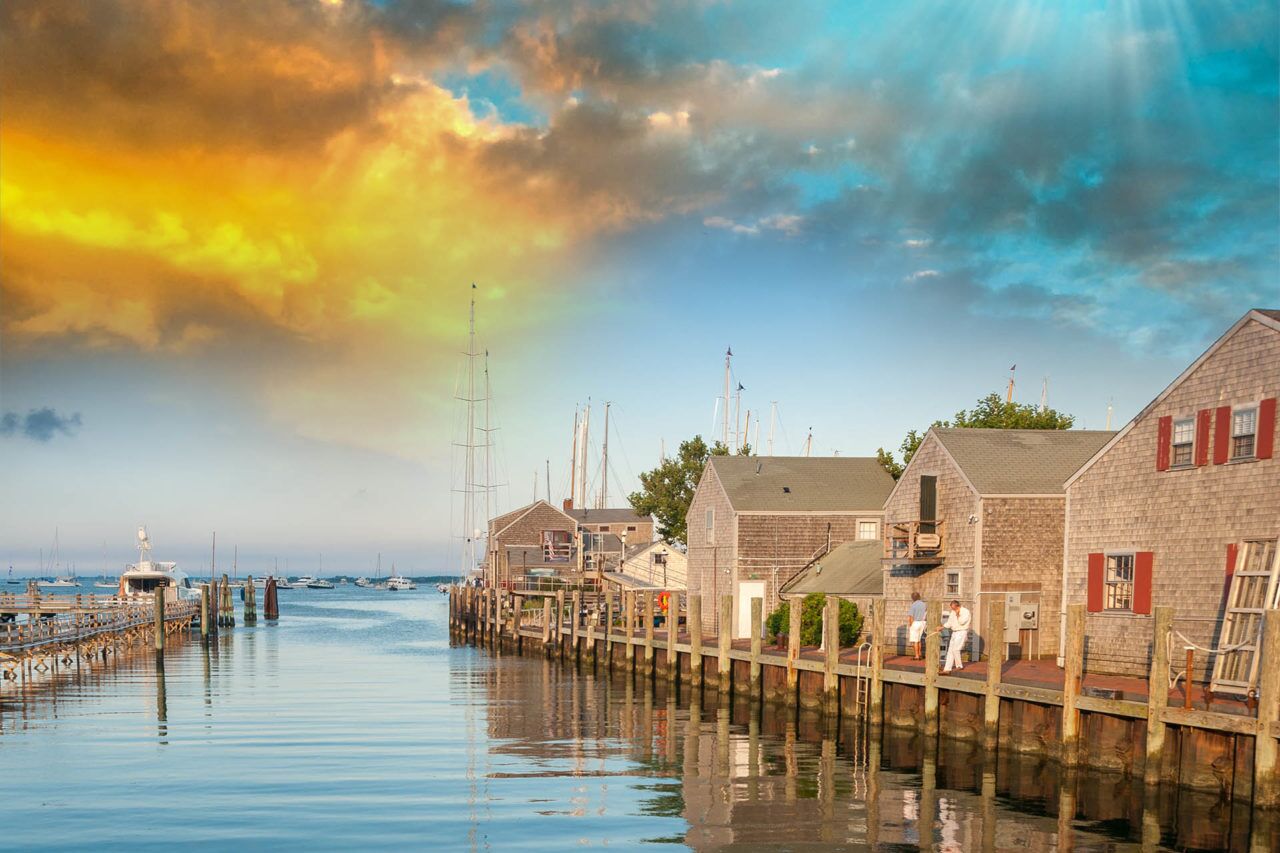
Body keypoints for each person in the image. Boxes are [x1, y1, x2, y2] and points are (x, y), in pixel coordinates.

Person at [941, 599, 971, 673]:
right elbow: (949, 623)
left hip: (961, 631)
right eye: (952, 608)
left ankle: (959, 665)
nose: (953, 610)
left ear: (958, 606)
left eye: (954, 608)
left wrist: (958, 614)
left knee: (956, 649)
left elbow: (962, 622)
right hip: (954, 632)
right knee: (950, 650)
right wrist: (942, 627)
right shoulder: (953, 612)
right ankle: (947, 668)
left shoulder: (965, 611)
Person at [907, 592, 927, 660]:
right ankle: (920, 654)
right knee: (919, 640)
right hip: (922, 622)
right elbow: (926, 614)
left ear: (912, 598)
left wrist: (911, 625)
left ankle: (917, 656)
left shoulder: (913, 605)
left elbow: (911, 616)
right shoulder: (924, 604)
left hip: (915, 622)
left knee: (915, 640)